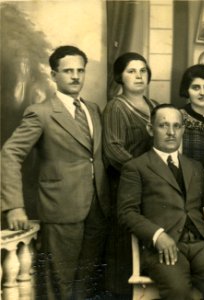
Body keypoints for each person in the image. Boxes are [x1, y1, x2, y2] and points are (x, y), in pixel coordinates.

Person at [1, 45, 109, 299]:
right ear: (54, 75)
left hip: (98, 207)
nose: (75, 77)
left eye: (80, 71)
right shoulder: (41, 113)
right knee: (60, 282)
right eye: (68, 71)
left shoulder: (92, 109)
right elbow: (9, 154)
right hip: (61, 208)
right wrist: (14, 205)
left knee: (89, 278)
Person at [118, 104, 204, 300]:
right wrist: (157, 235)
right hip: (163, 247)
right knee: (178, 288)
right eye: (163, 126)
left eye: (176, 126)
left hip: (199, 244)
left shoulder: (194, 166)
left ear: (183, 129)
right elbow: (126, 213)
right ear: (150, 129)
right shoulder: (136, 167)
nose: (171, 132)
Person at [102, 52, 158, 298]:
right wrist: (145, 173)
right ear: (120, 77)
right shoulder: (116, 107)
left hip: (154, 184)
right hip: (127, 184)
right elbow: (113, 150)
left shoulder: (154, 105)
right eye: (131, 71)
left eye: (143, 70)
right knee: (126, 244)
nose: (139, 76)